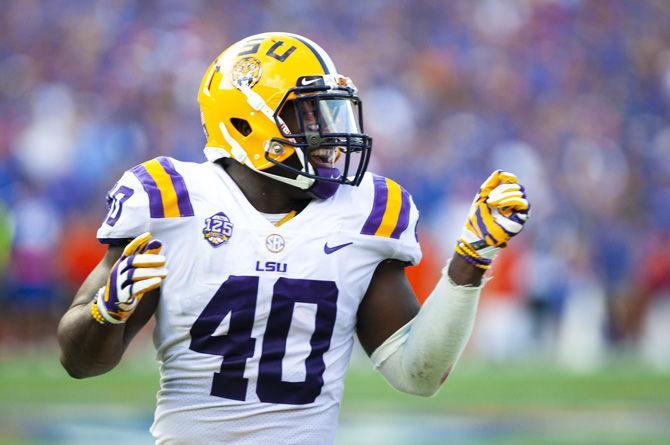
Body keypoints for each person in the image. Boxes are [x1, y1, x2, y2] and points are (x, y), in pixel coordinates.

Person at [57, 32, 530, 445]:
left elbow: (417, 374)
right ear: (246, 124)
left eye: (330, 113)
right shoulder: (169, 199)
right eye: (310, 117)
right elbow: (78, 362)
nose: (329, 134)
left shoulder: (365, 213)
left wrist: (469, 263)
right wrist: (106, 312)